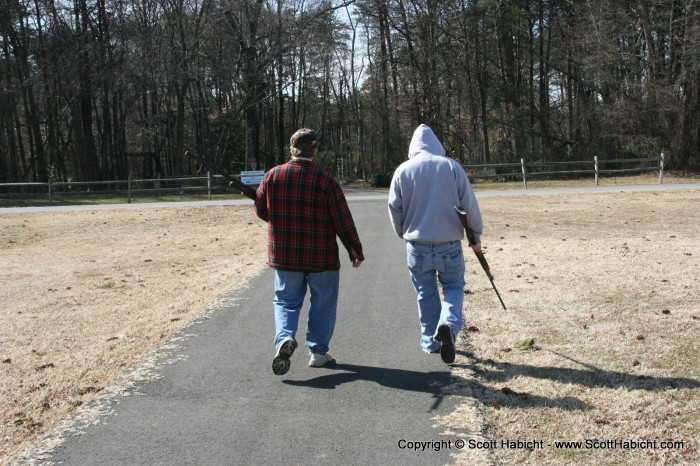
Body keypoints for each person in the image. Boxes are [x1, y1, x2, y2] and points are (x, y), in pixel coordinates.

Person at [255, 128, 364, 375]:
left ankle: (284, 338)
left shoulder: (273, 175)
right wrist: (354, 249)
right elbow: (342, 219)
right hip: (321, 256)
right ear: (314, 150)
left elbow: (262, 210)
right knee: (323, 304)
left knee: (285, 301)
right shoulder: (325, 179)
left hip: (284, 254)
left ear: (292, 148)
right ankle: (317, 352)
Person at [388, 124, 483, 364]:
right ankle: (448, 325)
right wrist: (475, 235)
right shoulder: (451, 166)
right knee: (453, 286)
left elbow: (394, 207)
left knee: (425, 291)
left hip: (417, 243)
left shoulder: (403, 170)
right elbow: (468, 204)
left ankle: (431, 341)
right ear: (436, 144)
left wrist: (402, 232)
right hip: (448, 242)